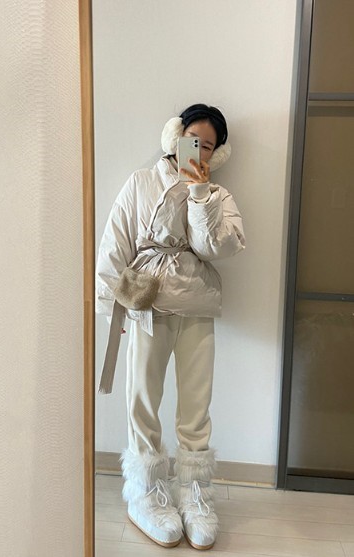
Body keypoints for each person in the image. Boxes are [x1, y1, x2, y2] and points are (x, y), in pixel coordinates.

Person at [96, 104, 245, 550]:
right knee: (143, 399)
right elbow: (115, 242)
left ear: (218, 154)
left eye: (208, 146)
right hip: (147, 304)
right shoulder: (141, 182)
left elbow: (216, 247)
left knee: (196, 406)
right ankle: (145, 491)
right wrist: (112, 309)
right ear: (175, 136)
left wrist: (199, 195)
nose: (198, 150)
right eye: (192, 140)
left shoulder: (217, 196)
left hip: (196, 303)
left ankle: (195, 493)